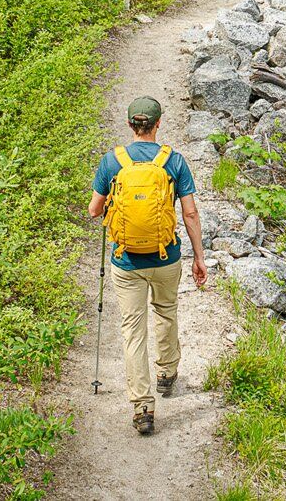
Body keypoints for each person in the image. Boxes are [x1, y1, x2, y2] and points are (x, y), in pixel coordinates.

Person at [87, 96, 208, 436]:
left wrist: (112, 200)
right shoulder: (175, 162)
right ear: (158, 124)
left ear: (130, 125)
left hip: (126, 263)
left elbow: (94, 211)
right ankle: (167, 373)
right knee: (167, 311)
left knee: (133, 330)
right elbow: (190, 213)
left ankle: (142, 406)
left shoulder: (112, 162)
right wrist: (199, 257)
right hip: (166, 258)